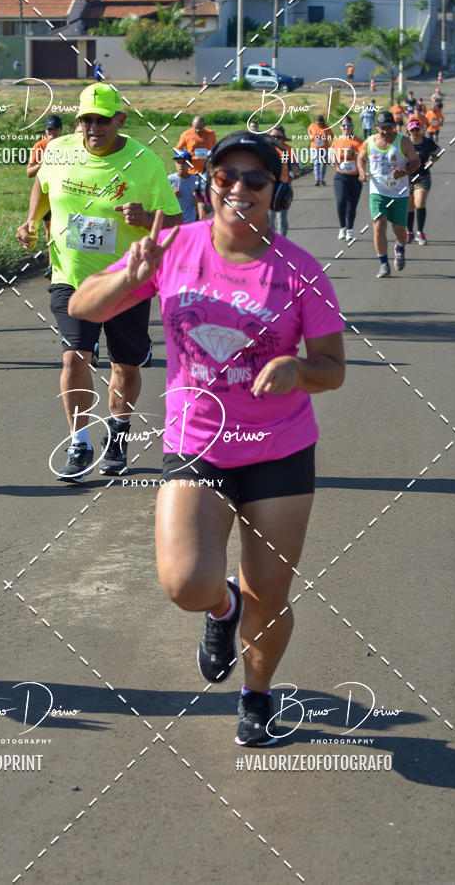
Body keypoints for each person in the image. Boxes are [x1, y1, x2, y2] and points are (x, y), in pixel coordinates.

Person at [69, 131, 345, 747]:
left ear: (277, 192)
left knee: (269, 593)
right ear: (207, 183)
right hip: (198, 442)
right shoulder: (172, 248)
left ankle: (257, 696)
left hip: (281, 450)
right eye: (227, 176)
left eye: (256, 179)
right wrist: (130, 277)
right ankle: (222, 609)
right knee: (184, 582)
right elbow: (85, 306)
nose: (240, 188)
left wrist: (299, 370)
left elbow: (332, 366)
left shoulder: (300, 270)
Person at [16, 83, 182, 482]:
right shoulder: (59, 151)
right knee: (75, 356)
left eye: (102, 120)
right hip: (70, 278)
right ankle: (79, 441)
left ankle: (119, 433)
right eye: (86, 120)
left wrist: (145, 219)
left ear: (120, 120)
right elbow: (41, 183)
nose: (93, 127)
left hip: (127, 281)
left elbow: (177, 222)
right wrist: (31, 220)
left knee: (124, 365)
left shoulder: (145, 163)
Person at [356, 110, 420, 278]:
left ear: (394, 126)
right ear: (377, 127)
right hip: (378, 191)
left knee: (400, 231)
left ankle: (399, 248)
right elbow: (361, 158)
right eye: (382, 128)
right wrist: (362, 172)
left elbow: (416, 162)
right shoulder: (369, 142)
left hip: (399, 193)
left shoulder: (403, 142)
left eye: (389, 127)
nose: (386, 131)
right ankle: (384, 264)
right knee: (379, 225)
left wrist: (404, 172)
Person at [26, 114, 63, 278]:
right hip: (45, 193)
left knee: (60, 227)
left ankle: (57, 264)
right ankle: (51, 264)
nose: (52, 133)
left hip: (63, 192)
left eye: (55, 129)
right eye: (49, 129)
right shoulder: (39, 146)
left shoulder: (67, 145)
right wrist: (45, 162)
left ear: (61, 130)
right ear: (45, 131)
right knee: (50, 229)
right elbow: (29, 172)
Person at [406, 118, 439, 245]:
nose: (415, 132)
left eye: (417, 129)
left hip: (423, 177)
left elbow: (439, 152)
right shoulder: (405, 143)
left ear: (421, 130)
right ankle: (410, 232)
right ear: (408, 131)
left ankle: (420, 232)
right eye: (412, 130)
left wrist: (432, 161)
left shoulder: (427, 142)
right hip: (407, 178)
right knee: (409, 206)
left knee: (419, 202)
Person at [330, 116, 363, 242]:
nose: (346, 128)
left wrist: (353, 154)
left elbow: (364, 156)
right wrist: (334, 160)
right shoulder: (336, 142)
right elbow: (332, 156)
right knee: (341, 201)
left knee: (352, 206)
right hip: (341, 177)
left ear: (352, 127)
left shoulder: (358, 142)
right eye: (343, 126)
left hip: (355, 178)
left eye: (348, 126)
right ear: (340, 127)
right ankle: (342, 228)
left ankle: (350, 230)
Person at [267, 125, 295, 236]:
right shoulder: (265, 149)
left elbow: (297, 169)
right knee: (270, 217)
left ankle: (283, 242)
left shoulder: (288, 150)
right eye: (273, 136)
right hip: (268, 188)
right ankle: (271, 244)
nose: (276, 139)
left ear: (283, 138)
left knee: (282, 218)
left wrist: (290, 167)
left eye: (278, 137)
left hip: (283, 188)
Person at [169, 150, 199, 224]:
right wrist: (172, 194)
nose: (181, 165)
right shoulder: (170, 179)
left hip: (190, 217)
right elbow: (163, 198)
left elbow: (199, 200)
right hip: (175, 217)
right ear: (175, 164)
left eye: (184, 163)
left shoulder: (195, 180)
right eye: (178, 162)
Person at [307, 115, 333, 186]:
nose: (318, 124)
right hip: (314, 148)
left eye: (320, 123)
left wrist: (327, 135)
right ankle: (317, 180)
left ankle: (322, 179)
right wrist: (310, 135)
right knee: (316, 163)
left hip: (324, 148)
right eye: (317, 123)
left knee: (323, 164)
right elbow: (309, 129)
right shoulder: (312, 125)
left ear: (322, 122)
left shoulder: (326, 127)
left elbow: (332, 136)